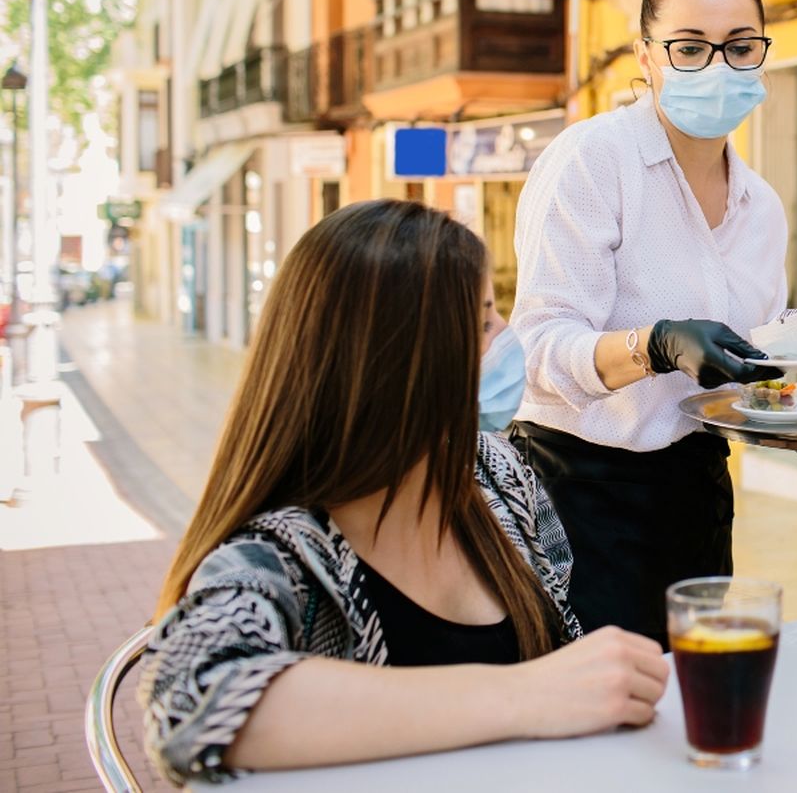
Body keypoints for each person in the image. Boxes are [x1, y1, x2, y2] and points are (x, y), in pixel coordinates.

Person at [140, 201, 669, 785]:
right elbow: (192, 701)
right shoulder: (283, 556)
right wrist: (526, 694)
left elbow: (563, 634)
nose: (508, 338)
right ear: (406, 364)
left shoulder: (496, 475)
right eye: (485, 320)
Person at [507, 0, 788, 647]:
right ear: (646, 55)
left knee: (687, 696)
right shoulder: (593, 162)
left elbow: (739, 376)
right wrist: (655, 344)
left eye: (739, 46)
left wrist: (783, 403)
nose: (717, 67)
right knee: (592, 716)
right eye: (689, 48)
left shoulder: (764, 209)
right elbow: (538, 347)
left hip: (697, 487)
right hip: (577, 490)